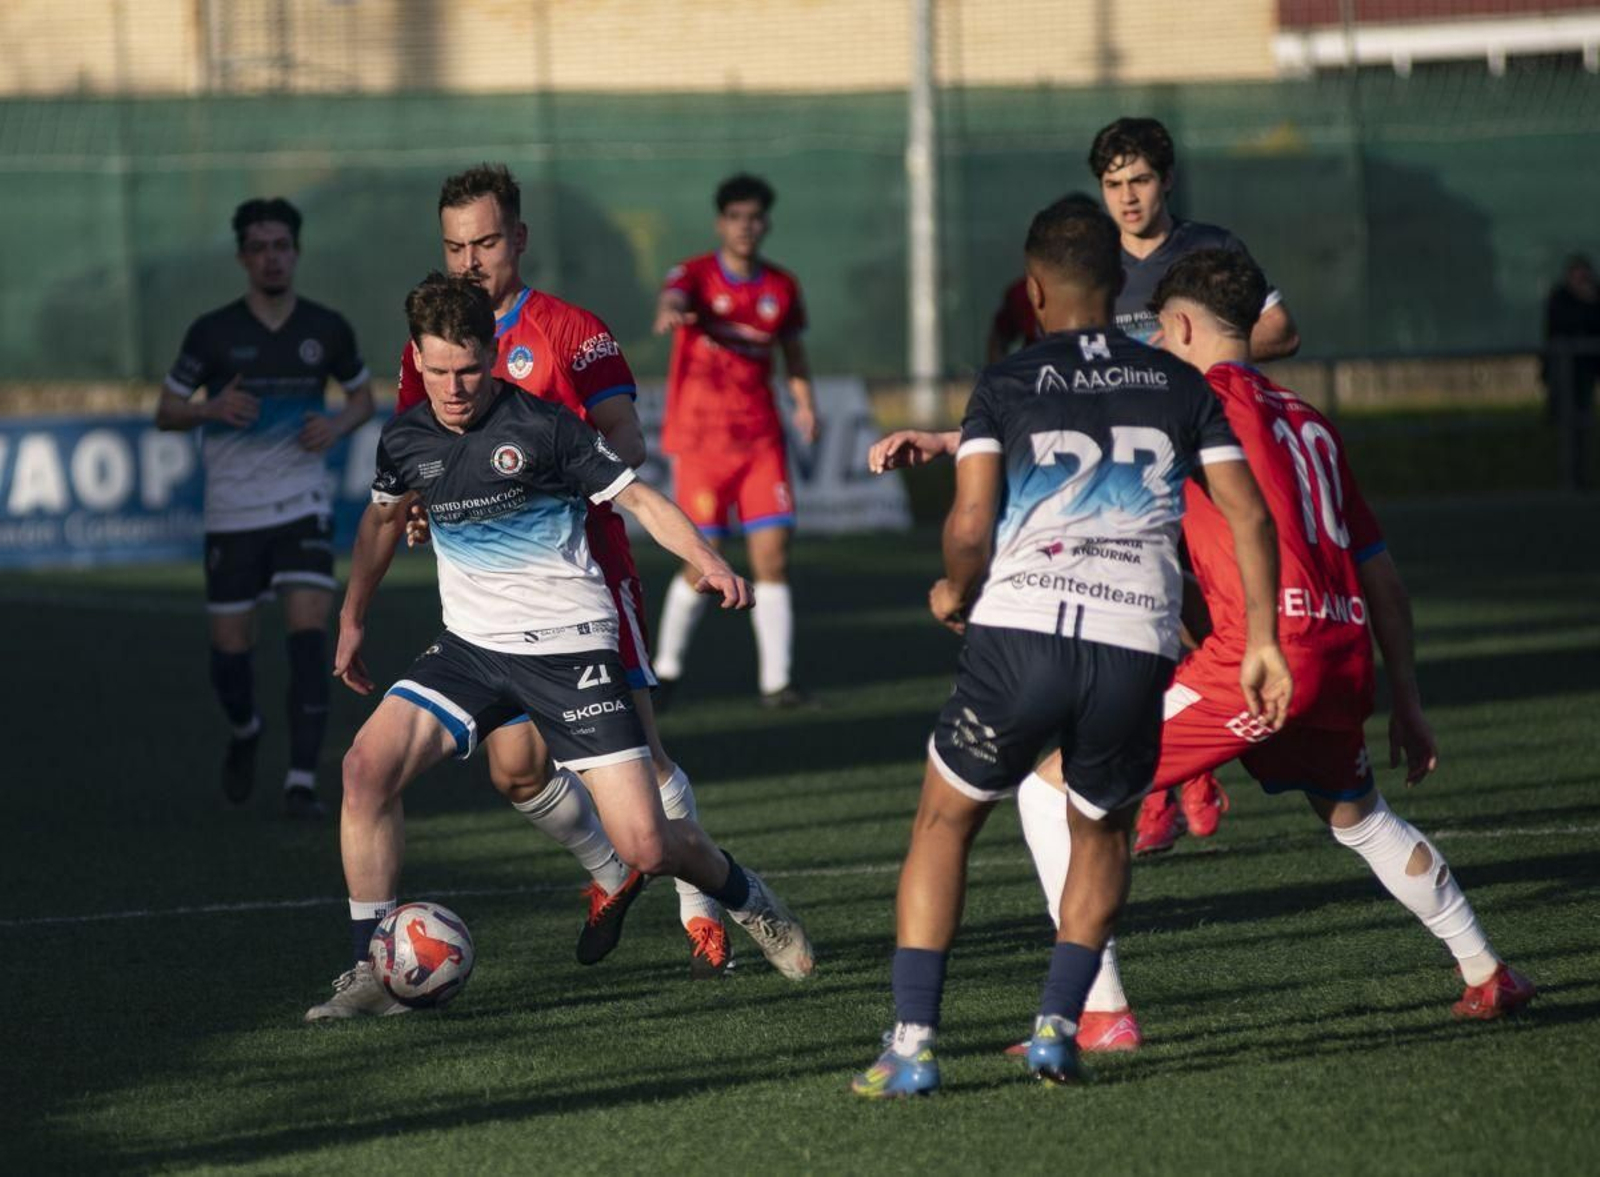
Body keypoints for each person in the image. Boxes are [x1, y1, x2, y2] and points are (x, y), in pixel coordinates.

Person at [871, 249, 1538, 1054]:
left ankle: (1101, 1012)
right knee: (1360, 818)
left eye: (1159, 331)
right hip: (1338, 646)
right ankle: (1486, 969)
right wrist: (1411, 701)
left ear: (1179, 327)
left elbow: (1082, 425)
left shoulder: (1195, 398)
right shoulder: (1313, 425)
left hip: (1256, 656)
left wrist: (956, 441)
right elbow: (1384, 579)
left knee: (1049, 796)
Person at [849, 203, 1289, 1097]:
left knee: (944, 821)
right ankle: (1058, 1026)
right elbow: (1248, 513)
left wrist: (953, 591)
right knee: (1102, 828)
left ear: (1036, 290)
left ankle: (913, 1044)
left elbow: (971, 520)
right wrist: (1265, 641)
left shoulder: (1007, 381)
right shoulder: (1177, 384)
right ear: (1116, 285)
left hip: (1022, 637)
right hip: (1136, 641)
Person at [305, 274, 813, 1020]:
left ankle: (747, 895)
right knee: (364, 769)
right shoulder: (406, 436)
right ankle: (368, 972)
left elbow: (636, 497)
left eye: (469, 368)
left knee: (648, 844)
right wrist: (353, 618)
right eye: (438, 369)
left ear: (493, 354)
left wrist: (706, 560)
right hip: (472, 649)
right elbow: (382, 522)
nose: (453, 387)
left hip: (570, 646)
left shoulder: (543, 427)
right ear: (416, 357)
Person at [378, 163, 732, 978]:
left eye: (487, 242)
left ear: (520, 239)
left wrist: (545, 468)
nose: (470, 261)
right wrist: (430, 503)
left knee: (645, 750)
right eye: (455, 246)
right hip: (490, 597)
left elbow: (629, 443)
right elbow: (423, 450)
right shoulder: (425, 347)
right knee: (515, 768)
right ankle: (613, 868)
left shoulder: (575, 331)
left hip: (586, 573)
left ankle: (700, 906)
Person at [157, 197, 374, 818]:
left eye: (282, 245)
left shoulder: (326, 328)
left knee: (310, 638)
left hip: (302, 505)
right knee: (230, 655)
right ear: (242, 257)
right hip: (233, 515)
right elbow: (165, 410)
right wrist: (208, 409)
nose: (272, 257)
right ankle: (246, 729)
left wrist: (337, 426)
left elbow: (361, 397)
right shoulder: (212, 333)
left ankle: (301, 782)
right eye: (259, 247)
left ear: (296, 253)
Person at [651, 173, 818, 708]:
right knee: (705, 556)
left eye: (755, 218)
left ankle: (777, 683)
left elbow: (792, 352)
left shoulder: (782, 287)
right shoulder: (696, 274)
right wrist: (670, 309)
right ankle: (666, 670)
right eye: (736, 218)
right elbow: (675, 292)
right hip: (701, 441)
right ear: (721, 222)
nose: (746, 227)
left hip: (761, 442)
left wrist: (805, 403)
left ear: (766, 223)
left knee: (773, 557)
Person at [1542, 254, 1599, 487]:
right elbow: (1559, 329)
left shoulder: (1594, 298)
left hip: (1585, 372)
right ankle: (1571, 478)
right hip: (1564, 372)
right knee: (1568, 423)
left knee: (1582, 422)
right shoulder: (1560, 298)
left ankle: (1579, 477)